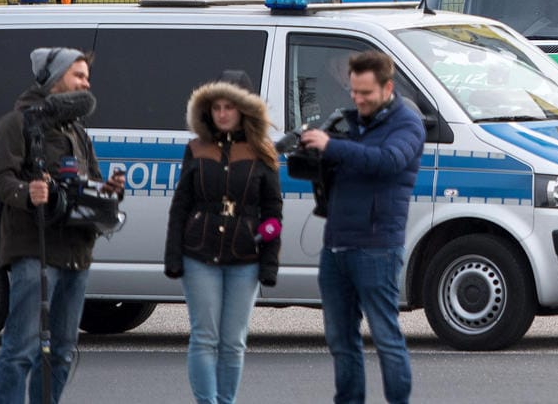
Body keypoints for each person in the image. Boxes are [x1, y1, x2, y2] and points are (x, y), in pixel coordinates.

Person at [0, 46, 126, 404]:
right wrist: (26, 191)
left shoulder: (77, 130)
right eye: (79, 75)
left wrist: (106, 190)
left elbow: (89, 179)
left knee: (62, 352)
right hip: (34, 250)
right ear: (55, 78)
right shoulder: (16, 123)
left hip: (76, 252)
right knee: (20, 350)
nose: (86, 82)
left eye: (87, 76)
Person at [297, 52, 423, 404]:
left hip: (377, 245)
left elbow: (387, 162)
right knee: (340, 339)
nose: (358, 99)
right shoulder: (349, 121)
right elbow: (339, 161)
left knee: (385, 337)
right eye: (354, 91)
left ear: (387, 87)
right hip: (336, 243)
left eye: (366, 93)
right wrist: (312, 150)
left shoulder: (407, 125)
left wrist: (333, 146)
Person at [164, 77, 283, 404]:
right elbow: (180, 206)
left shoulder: (262, 152)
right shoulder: (196, 148)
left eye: (229, 106)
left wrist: (269, 263)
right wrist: (173, 257)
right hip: (198, 255)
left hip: (245, 258)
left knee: (233, 342)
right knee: (204, 338)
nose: (222, 113)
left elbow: (273, 212)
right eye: (216, 107)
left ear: (243, 109)